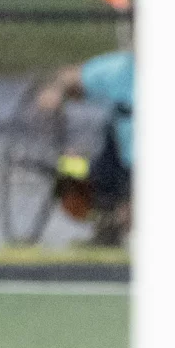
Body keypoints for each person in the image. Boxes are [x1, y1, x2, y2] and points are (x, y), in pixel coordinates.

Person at [36, 50, 136, 243]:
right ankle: (106, 224)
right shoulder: (121, 69)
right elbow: (70, 79)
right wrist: (56, 92)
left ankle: (121, 223)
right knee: (69, 167)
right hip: (118, 161)